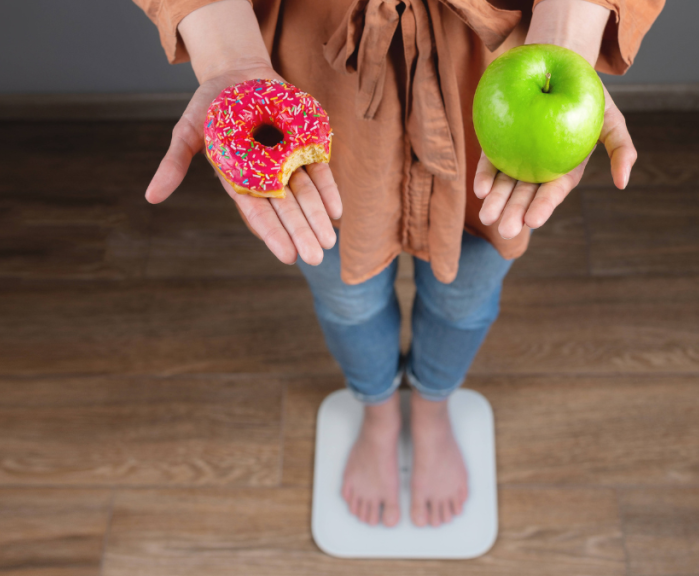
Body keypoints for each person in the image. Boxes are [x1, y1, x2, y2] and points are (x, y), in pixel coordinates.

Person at [133, 0, 662, 528]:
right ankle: (378, 412)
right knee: (346, 295)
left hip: (495, 72)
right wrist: (227, 54)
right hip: (321, 74)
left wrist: (568, 29)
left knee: (467, 295)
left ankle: (432, 410)